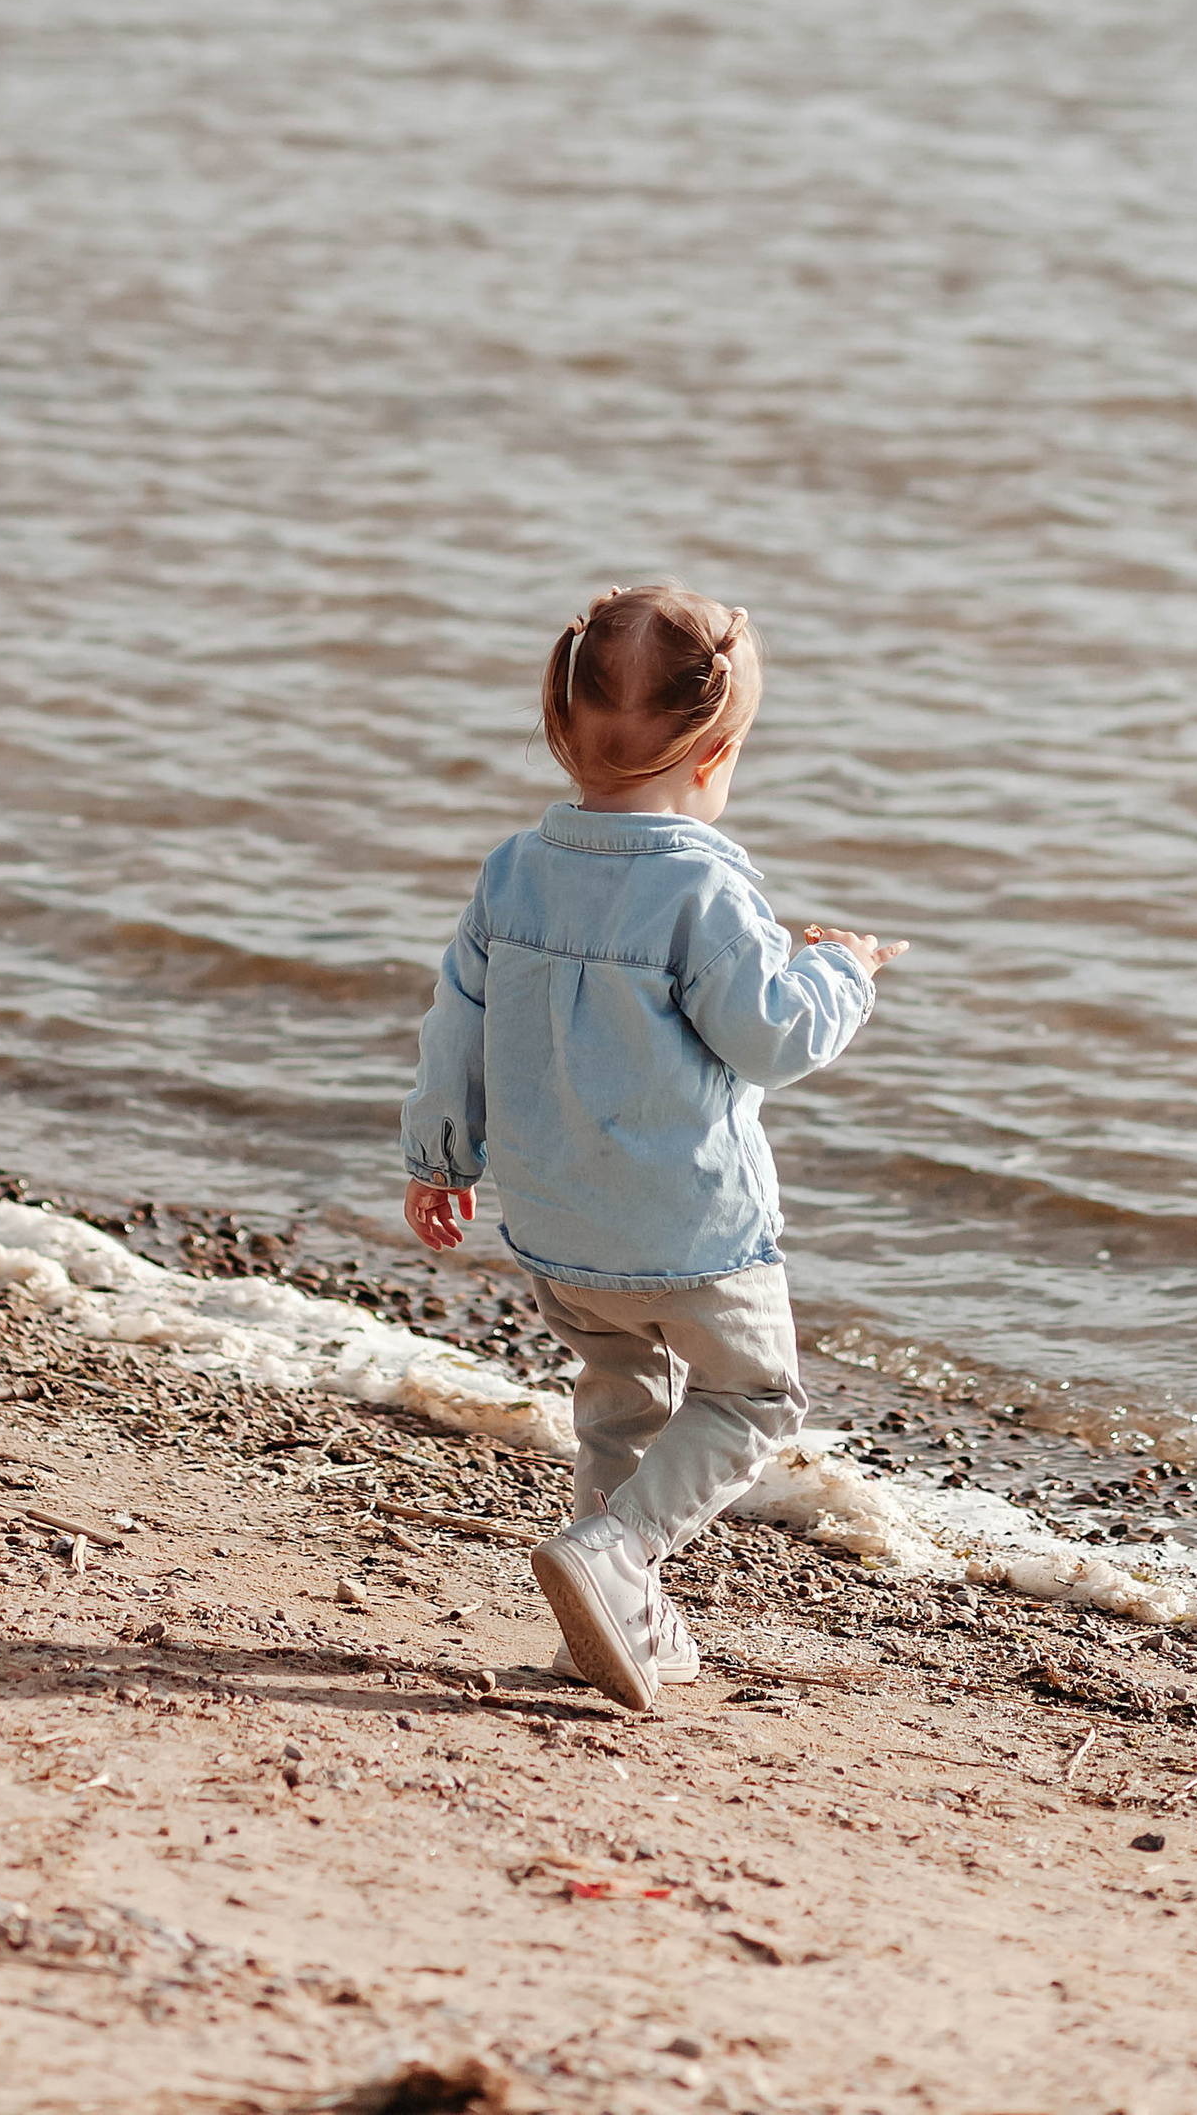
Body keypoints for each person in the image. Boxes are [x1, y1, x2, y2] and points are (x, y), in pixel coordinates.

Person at [401, 583, 902, 1711]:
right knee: (756, 1399)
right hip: (692, 1231)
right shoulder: (704, 886)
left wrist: (439, 1157)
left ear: (558, 724)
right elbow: (771, 1038)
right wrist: (845, 973)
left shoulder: (512, 871)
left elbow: (455, 1025)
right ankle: (614, 1556)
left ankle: (626, 1611)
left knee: (622, 1399)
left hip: (554, 1226)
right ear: (717, 756)